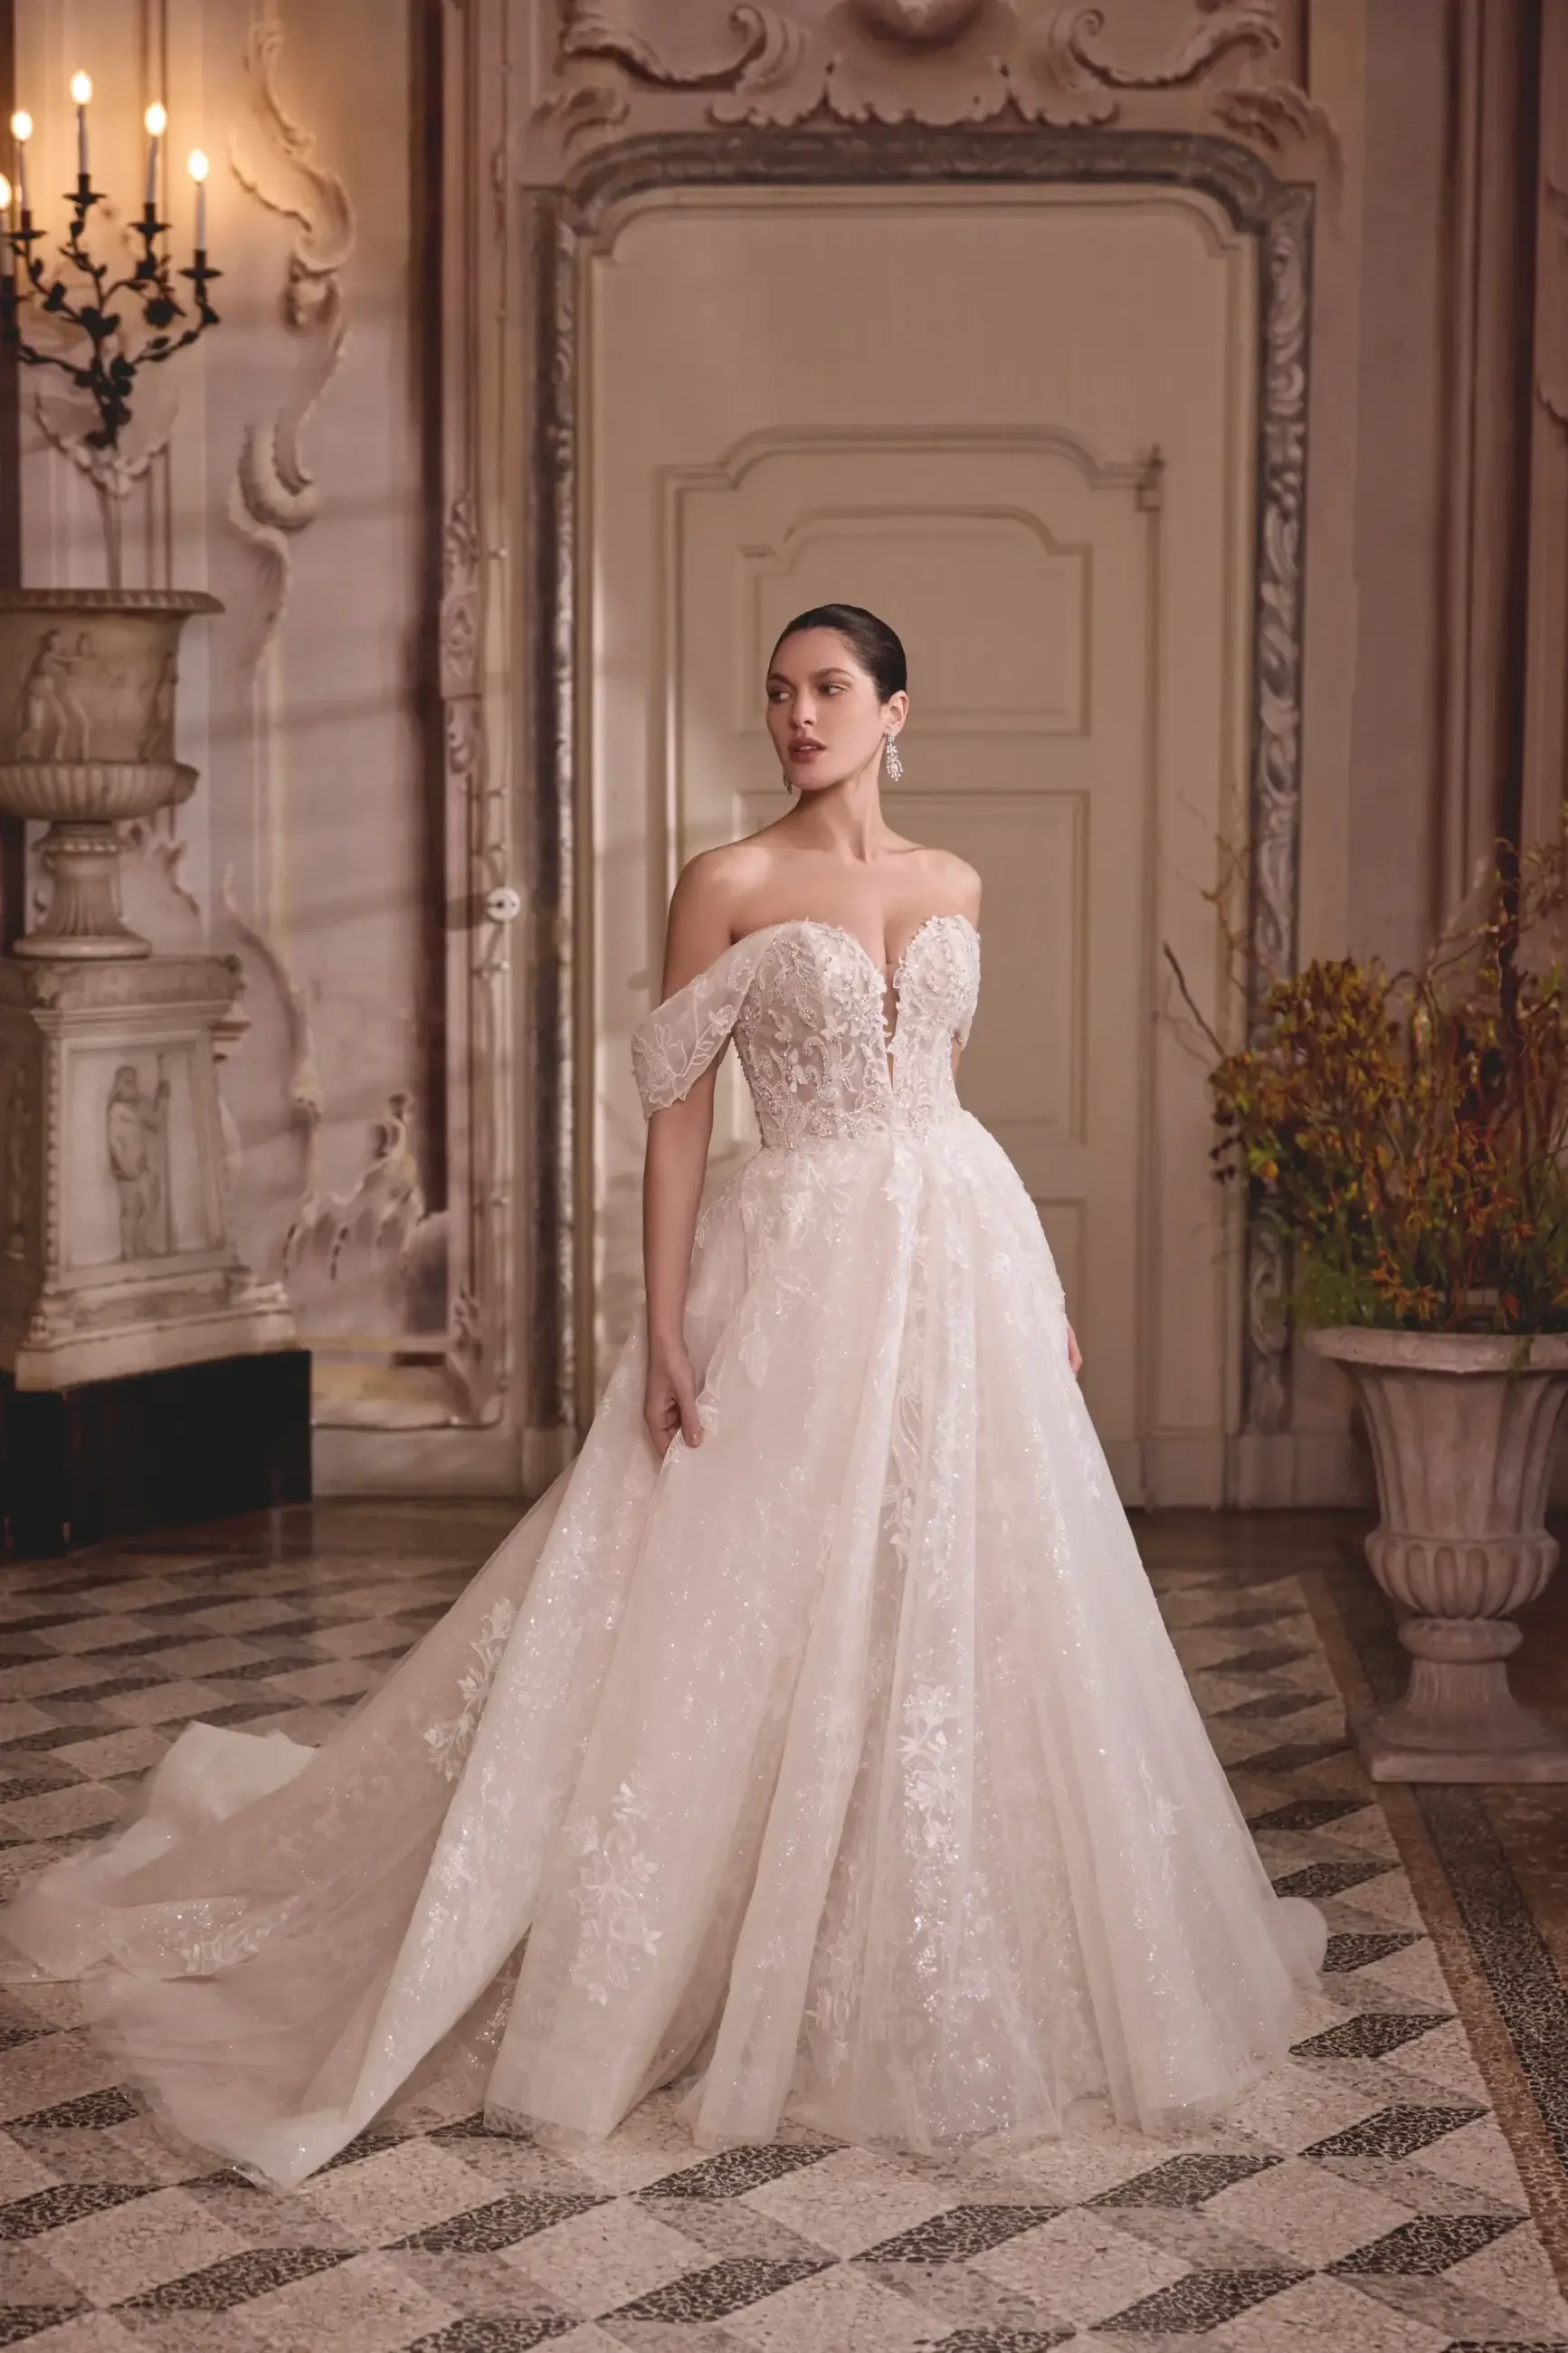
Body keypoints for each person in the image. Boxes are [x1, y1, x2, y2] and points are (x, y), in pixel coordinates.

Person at [0, 603, 1325, 2193]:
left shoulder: (955, 883)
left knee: (958, 1600)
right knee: (736, 1603)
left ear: (899, 711)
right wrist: (671, 1325)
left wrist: (1030, 1291)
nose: (799, 716)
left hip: (955, 1260)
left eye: (831, 690)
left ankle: (918, 1919)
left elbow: (947, 1103)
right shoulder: (730, 883)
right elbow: (680, 1119)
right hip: (800, 1267)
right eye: (780, 693)